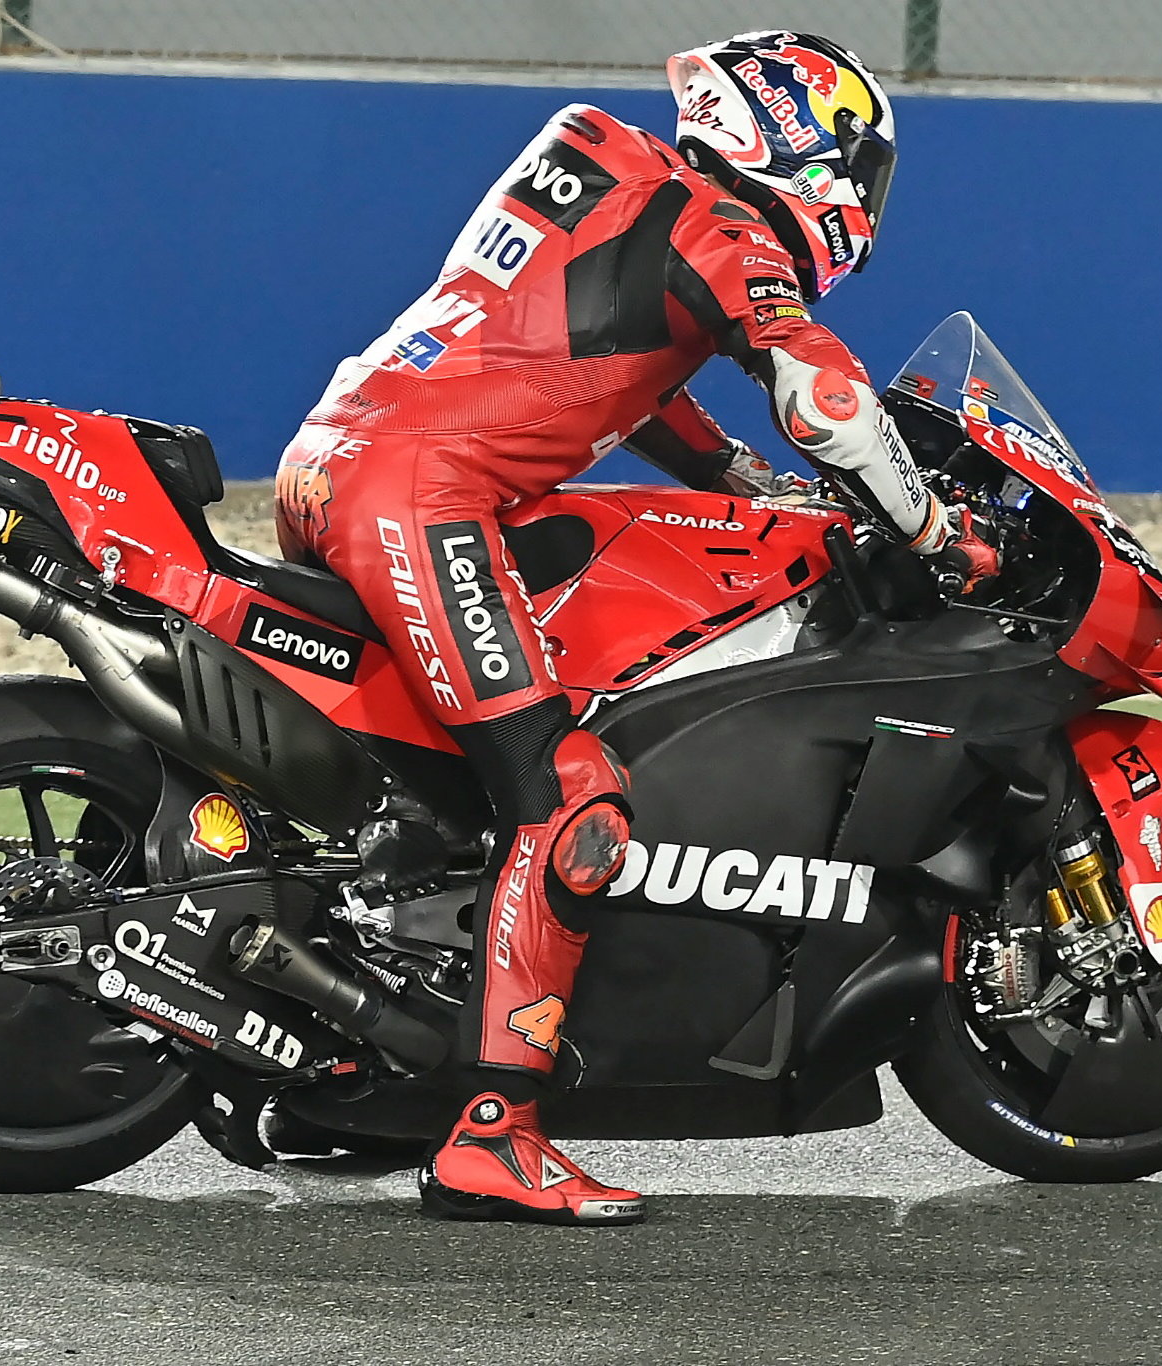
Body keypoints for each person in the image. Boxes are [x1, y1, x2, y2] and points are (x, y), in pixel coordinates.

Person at [273, 30, 998, 1227]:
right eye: (858, 167)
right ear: (802, 142)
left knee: (448, 789)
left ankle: (359, 1062)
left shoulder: (602, 157)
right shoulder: (726, 232)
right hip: (423, 496)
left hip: (334, 463)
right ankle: (494, 1132)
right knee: (566, 796)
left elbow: (599, 347)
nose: (863, 200)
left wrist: (736, 476)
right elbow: (825, 400)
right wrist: (930, 530)